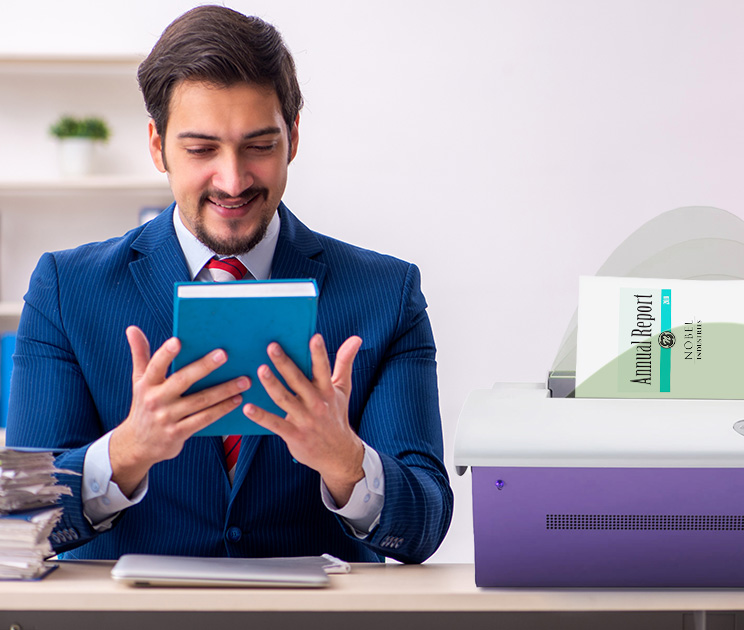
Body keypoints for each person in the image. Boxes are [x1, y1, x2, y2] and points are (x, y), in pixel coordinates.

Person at [5, 5, 452, 563]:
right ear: (157, 146)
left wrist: (346, 462)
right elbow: (20, 518)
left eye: (259, 146)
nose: (233, 179)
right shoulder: (66, 291)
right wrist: (125, 453)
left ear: (292, 137)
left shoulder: (386, 294)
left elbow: (425, 525)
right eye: (201, 149)